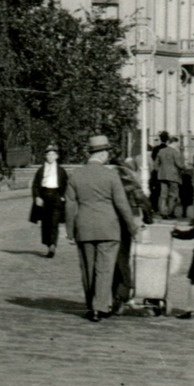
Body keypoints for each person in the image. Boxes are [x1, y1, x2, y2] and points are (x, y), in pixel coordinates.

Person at [63, 133, 137, 322]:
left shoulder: (75, 175)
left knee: (88, 267)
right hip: (109, 228)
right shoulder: (111, 175)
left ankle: (91, 305)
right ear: (103, 154)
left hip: (84, 228)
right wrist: (132, 227)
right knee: (104, 269)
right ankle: (100, 307)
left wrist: (70, 231)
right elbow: (122, 204)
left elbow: (70, 205)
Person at [108, 148, 155, 311]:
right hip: (125, 222)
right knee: (122, 258)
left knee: (109, 259)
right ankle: (122, 292)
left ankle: (110, 294)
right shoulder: (129, 176)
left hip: (107, 222)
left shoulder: (106, 175)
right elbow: (142, 199)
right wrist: (149, 218)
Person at [28, 145, 69, 257]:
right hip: (44, 196)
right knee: (46, 222)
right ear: (46, 156)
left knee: (54, 221)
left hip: (56, 196)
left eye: (53, 154)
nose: (50, 157)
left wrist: (63, 196)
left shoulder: (61, 171)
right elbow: (36, 185)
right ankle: (48, 243)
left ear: (56, 156)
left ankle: (52, 245)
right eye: (48, 154)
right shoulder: (41, 170)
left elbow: (66, 184)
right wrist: (37, 197)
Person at [153, 131, 183, 219]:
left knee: (163, 195)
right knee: (173, 195)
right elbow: (179, 165)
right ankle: (170, 212)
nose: (178, 145)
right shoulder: (175, 152)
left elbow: (155, 166)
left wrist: (161, 170)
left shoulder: (161, 151)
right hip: (173, 176)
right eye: (177, 143)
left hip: (162, 176)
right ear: (174, 143)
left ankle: (163, 212)